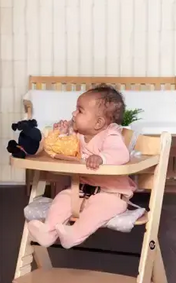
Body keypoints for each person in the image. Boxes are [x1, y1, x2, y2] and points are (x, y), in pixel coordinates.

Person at [27, 84, 136, 249]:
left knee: (95, 212)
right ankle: (48, 231)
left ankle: (74, 234)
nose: (73, 114)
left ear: (98, 123)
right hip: (83, 191)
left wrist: (101, 158)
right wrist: (62, 134)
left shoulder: (110, 135)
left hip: (111, 196)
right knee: (62, 199)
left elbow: (121, 154)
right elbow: (68, 150)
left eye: (79, 110)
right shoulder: (79, 136)